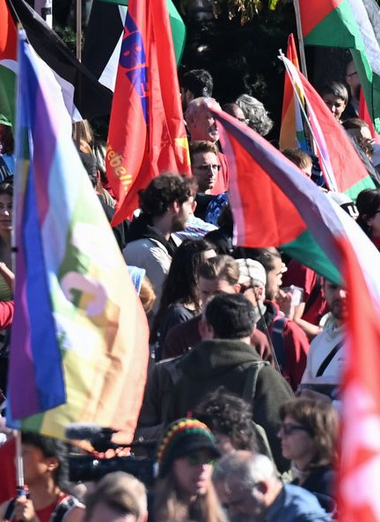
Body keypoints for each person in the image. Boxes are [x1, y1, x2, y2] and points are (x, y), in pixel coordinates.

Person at [156, 293, 296, 461]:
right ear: (253, 329)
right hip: (249, 475)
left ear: (204, 328)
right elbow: (286, 448)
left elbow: (169, 439)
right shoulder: (266, 378)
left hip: (189, 475)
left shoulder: (179, 375)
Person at [0, 433, 83, 522]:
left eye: (25, 453)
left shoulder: (73, 514)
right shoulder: (8, 509)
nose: (17, 460)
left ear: (51, 463)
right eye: (18, 453)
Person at [121, 174, 197, 302]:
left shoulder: (167, 243)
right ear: (176, 206)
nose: (191, 212)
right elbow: (166, 305)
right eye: (189, 205)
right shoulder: (150, 253)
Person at [277, 394, 339, 507]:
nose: (280, 435)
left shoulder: (332, 486)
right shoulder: (294, 485)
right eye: (282, 427)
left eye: (289, 428)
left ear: (317, 434)